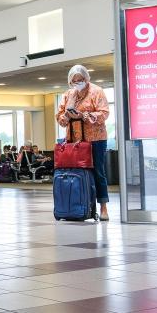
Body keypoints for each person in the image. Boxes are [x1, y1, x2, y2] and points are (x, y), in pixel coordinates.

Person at [56, 64, 111, 221]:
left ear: (86, 78)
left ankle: (103, 207)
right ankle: (78, 205)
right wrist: (66, 116)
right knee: (76, 172)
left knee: (98, 172)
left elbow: (104, 113)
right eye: (74, 81)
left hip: (95, 139)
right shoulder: (68, 95)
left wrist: (85, 115)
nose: (77, 82)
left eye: (80, 80)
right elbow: (59, 117)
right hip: (73, 140)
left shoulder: (96, 91)